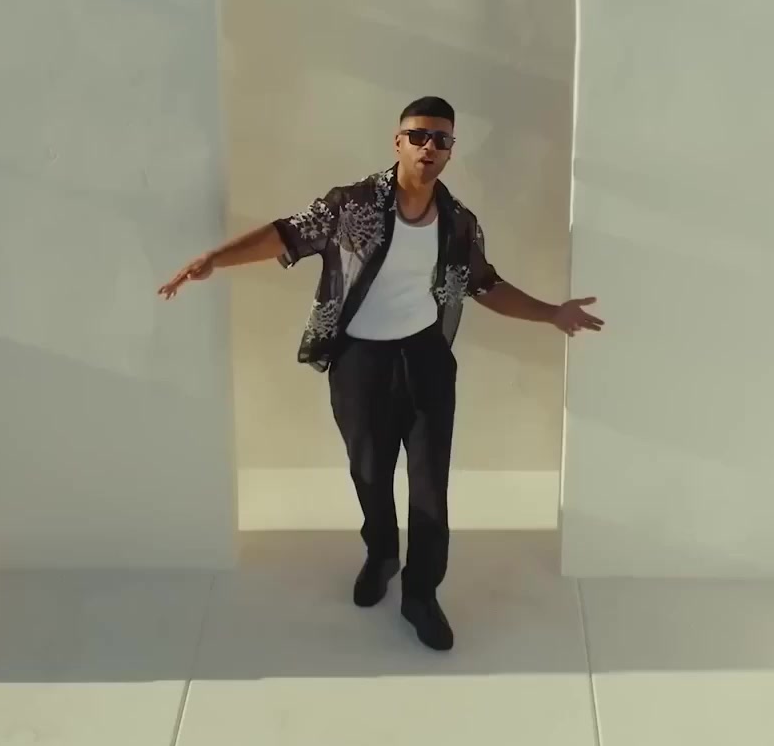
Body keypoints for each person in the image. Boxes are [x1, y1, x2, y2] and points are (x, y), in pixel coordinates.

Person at [158, 95, 604, 651]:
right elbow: (287, 233)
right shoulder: (352, 205)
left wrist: (551, 313)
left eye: (441, 139)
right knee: (368, 472)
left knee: (430, 485)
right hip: (359, 363)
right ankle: (382, 554)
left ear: (451, 151)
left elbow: (485, 284)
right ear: (398, 142)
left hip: (426, 361)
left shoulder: (458, 222)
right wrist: (214, 259)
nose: (428, 147)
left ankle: (421, 594)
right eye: (418, 136)